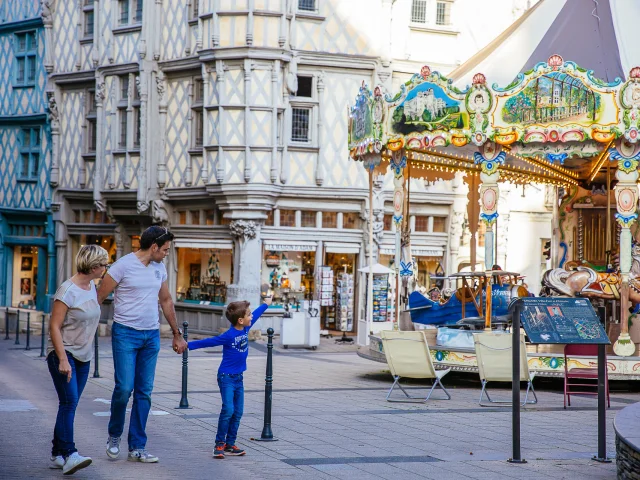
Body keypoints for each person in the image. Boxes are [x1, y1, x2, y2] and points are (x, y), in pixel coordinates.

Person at [98, 226, 187, 463]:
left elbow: (166, 300)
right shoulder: (122, 266)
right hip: (125, 334)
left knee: (144, 393)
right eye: (166, 249)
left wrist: (177, 335)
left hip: (151, 336)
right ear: (154, 247)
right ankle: (114, 435)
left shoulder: (159, 268)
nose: (167, 253)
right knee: (124, 388)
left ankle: (137, 446)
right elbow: (99, 297)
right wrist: (86, 330)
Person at [47, 245, 109, 475]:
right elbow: (54, 326)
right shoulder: (67, 291)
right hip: (64, 355)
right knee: (69, 403)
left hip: (84, 357)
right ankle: (70, 454)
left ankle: (56, 454)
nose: (106, 268)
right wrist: (62, 359)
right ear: (94, 267)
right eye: (104, 264)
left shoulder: (92, 285)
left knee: (68, 404)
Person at [188, 297, 271, 458]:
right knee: (228, 410)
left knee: (238, 412)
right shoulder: (229, 335)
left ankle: (230, 443)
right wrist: (188, 345)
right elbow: (210, 342)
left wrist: (266, 303)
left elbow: (258, 313)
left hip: (238, 378)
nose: (251, 316)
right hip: (226, 377)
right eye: (248, 315)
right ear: (241, 320)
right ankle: (219, 444)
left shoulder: (245, 329)